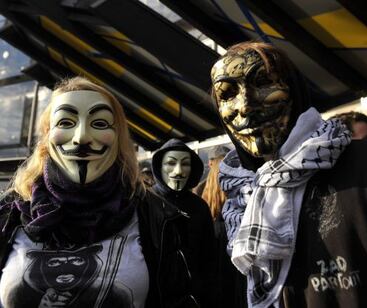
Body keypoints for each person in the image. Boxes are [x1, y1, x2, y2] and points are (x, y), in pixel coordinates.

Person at [210, 42, 367, 308]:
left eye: (263, 82)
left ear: (294, 88)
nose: (245, 106)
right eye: (227, 94)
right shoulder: (241, 201)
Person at [0, 77, 198, 308]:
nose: (82, 137)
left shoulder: (153, 214)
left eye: (100, 123)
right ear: (46, 135)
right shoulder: (9, 213)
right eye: (65, 122)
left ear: (118, 136)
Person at [151, 139, 216, 307]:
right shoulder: (146, 202)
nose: (178, 171)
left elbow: (209, 257)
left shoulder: (199, 206)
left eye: (185, 164)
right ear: (160, 166)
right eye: (171, 163)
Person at [200, 145, 247, 308]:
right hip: (236, 243)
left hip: (214, 244)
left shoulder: (200, 189)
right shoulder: (240, 181)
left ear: (210, 163)